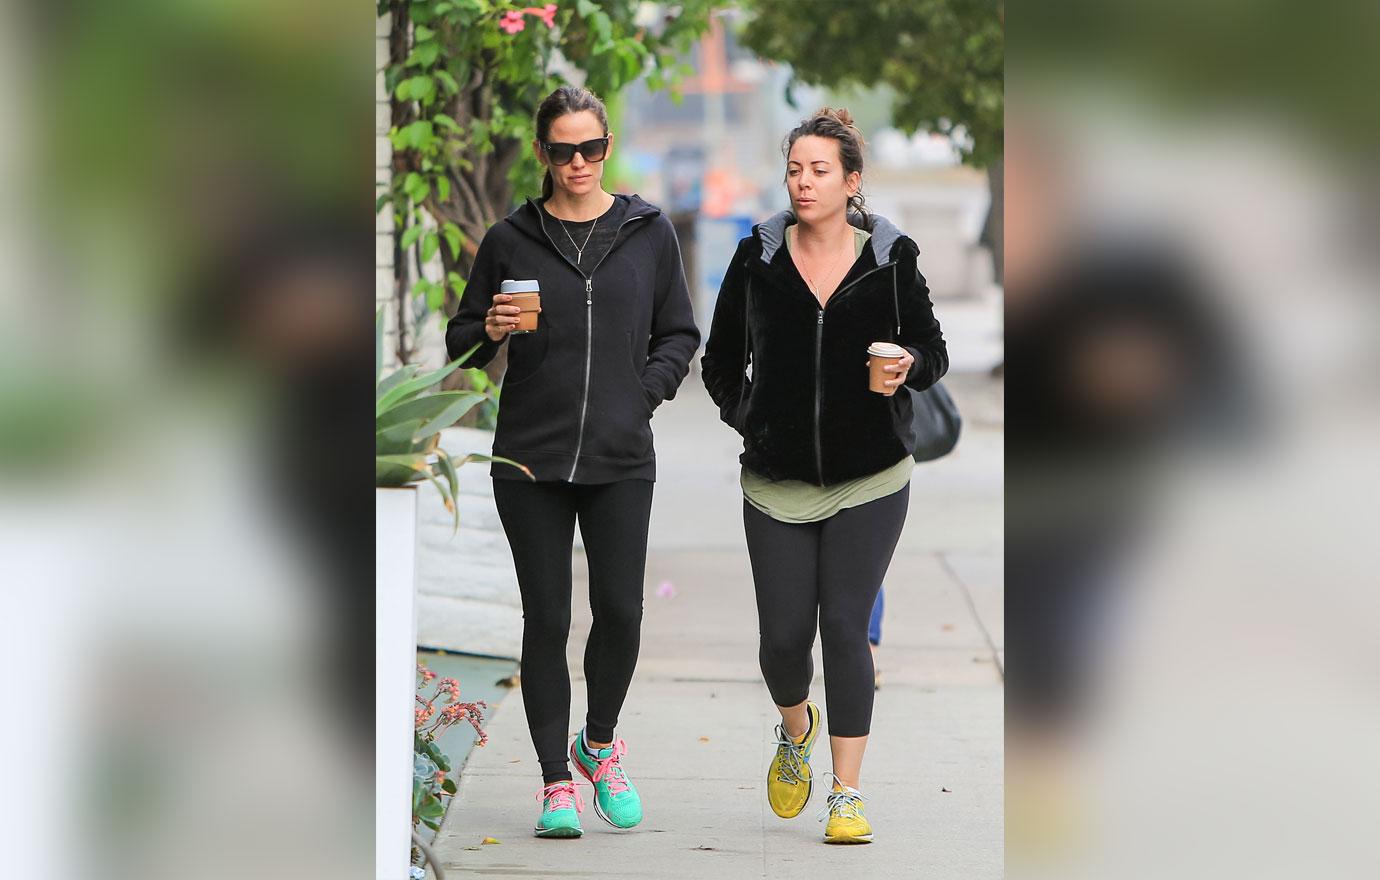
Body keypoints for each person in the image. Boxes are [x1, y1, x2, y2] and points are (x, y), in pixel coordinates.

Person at [446, 85, 699, 839]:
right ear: (542, 154)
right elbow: (461, 343)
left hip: (621, 455)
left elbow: (678, 334)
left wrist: (640, 396)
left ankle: (599, 743)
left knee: (621, 611)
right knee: (548, 617)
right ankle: (557, 782)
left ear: (608, 147)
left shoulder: (647, 232)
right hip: (530, 458)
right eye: (563, 150)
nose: (578, 162)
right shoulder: (510, 239)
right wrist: (488, 327)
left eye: (590, 148)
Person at [701, 108, 948, 845]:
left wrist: (907, 368)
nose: (803, 183)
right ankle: (794, 727)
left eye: (819, 170)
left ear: (851, 181)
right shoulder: (759, 257)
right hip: (775, 479)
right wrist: (751, 418)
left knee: (844, 626)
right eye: (795, 170)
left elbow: (930, 350)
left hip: (870, 475)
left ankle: (846, 793)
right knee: (782, 640)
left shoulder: (891, 259)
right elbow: (718, 362)